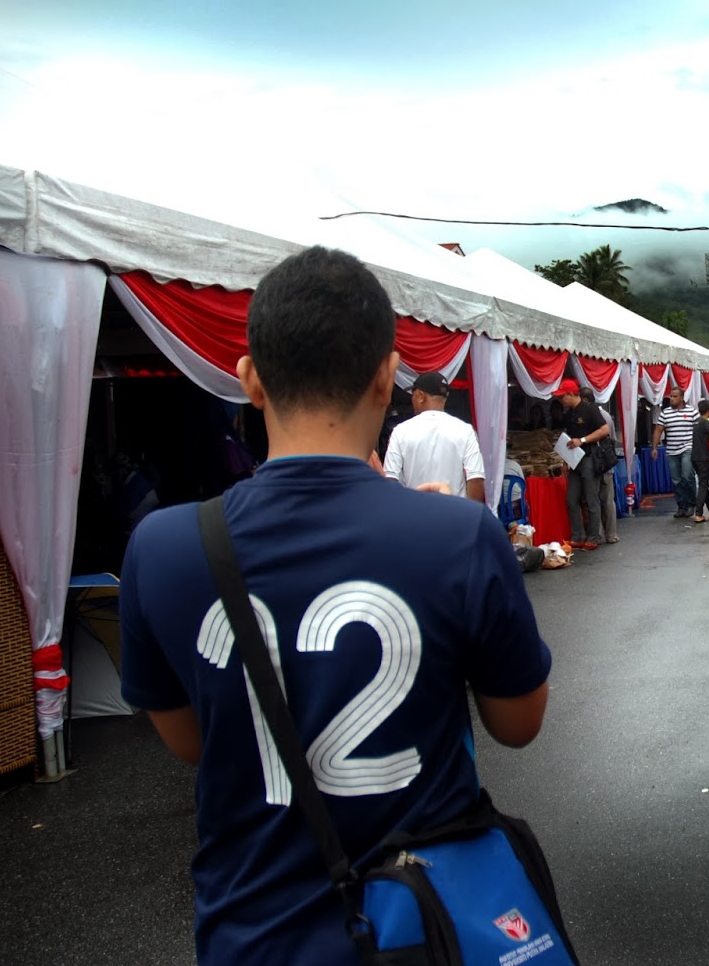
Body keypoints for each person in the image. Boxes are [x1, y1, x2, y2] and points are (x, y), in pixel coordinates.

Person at [116, 246, 551, 966]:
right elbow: (518, 722)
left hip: (253, 932)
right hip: (422, 924)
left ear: (249, 380)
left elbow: (192, 742)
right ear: (387, 378)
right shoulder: (461, 535)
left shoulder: (160, 548)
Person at [382, 371, 486, 502]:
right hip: (453, 514)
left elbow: (390, 479)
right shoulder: (465, 431)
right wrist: (470, 517)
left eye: (412, 395)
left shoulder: (401, 431)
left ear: (420, 396)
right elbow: (476, 479)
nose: (411, 400)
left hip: (415, 515)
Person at [557, 377, 609, 551]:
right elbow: (568, 440)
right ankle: (577, 535)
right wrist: (565, 461)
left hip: (588, 458)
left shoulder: (590, 409)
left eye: (562, 396)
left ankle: (594, 536)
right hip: (574, 461)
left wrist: (583, 440)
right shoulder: (569, 414)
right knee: (571, 499)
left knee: (591, 499)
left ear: (571, 394)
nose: (560, 400)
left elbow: (604, 430)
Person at [580, 386, 620, 544]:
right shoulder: (606, 415)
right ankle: (611, 534)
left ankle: (599, 534)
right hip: (606, 462)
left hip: (596, 462)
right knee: (608, 500)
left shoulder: (593, 416)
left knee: (595, 499)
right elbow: (612, 438)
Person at [652, 385, 697, 518]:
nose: (672, 399)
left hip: (687, 448)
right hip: (672, 450)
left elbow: (698, 429)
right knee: (676, 480)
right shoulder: (665, 413)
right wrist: (654, 447)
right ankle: (681, 506)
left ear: (682, 398)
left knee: (687, 476)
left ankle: (691, 504)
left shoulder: (691, 412)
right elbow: (658, 430)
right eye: (671, 396)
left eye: (675, 396)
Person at [691, 399, 709, 523]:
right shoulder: (705, 422)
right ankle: (699, 513)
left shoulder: (695, 422)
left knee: (703, 483)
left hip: (694, 457)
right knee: (703, 484)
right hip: (703, 458)